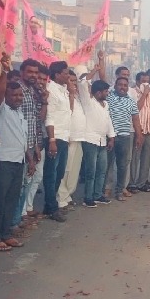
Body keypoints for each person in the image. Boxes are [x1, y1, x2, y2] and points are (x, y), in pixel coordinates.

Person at [0, 54, 32, 251]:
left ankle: (5, 233)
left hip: (18, 161)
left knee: (10, 201)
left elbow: (23, 140)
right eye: (14, 95)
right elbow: (0, 92)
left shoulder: (19, 113)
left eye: (20, 95)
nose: (18, 98)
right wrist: (4, 70)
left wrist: (29, 159)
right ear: (6, 96)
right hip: (1, 161)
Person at [78, 70, 116, 207]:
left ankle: (98, 195)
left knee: (101, 170)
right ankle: (88, 198)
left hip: (102, 140)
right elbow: (82, 84)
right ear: (98, 92)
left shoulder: (106, 105)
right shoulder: (88, 102)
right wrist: (95, 70)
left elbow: (108, 121)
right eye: (106, 91)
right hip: (90, 140)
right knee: (91, 171)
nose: (107, 93)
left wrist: (111, 137)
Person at [42, 61, 72, 223]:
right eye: (65, 73)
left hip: (64, 137)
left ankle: (50, 204)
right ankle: (52, 207)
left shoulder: (63, 90)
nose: (68, 75)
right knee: (51, 174)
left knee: (59, 173)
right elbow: (50, 117)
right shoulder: (51, 90)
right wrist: (52, 139)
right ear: (57, 74)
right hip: (55, 138)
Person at [106, 77, 143, 201]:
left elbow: (136, 120)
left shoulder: (131, 101)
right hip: (109, 136)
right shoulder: (109, 97)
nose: (122, 87)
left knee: (122, 165)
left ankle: (120, 190)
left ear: (128, 87)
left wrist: (139, 135)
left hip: (125, 137)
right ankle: (106, 188)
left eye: (125, 85)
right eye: (120, 85)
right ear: (115, 86)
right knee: (108, 164)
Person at [56, 70, 86, 212]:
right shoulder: (64, 96)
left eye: (74, 81)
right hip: (68, 138)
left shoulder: (78, 97)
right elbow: (67, 114)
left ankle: (67, 196)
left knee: (74, 171)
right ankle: (60, 199)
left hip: (79, 138)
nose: (73, 83)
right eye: (70, 80)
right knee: (65, 170)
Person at [24, 64, 49, 219]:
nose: (40, 81)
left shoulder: (41, 94)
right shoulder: (27, 94)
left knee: (37, 176)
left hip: (39, 141)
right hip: (27, 143)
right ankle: (22, 212)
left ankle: (28, 206)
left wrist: (45, 101)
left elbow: (40, 118)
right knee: (27, 177)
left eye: (42, 78)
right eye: (37, 77)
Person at [128, 72, 150, 193]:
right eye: (143, 81)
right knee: (134, 158)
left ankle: (142, 182)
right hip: (137, 131)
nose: (146, 84)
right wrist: (144, 94)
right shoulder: (132, 93)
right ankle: (131, 183)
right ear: (138, 81)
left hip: (149, 131)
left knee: (146, 159)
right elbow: (136, 108)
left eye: (148, 82)